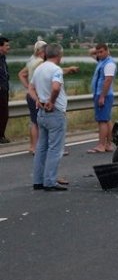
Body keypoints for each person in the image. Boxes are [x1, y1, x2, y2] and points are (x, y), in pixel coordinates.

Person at [18, 40, 78, 154]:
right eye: (45, 50)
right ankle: (53, 148)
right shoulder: (41, 63)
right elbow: (54, 78)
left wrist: (29, 87)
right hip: (41, 96)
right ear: (41, 51)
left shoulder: (31, 61)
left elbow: (21, 74)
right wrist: (69, 69)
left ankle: (34, 146)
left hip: (32, 95)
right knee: (49, 123)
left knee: (35, 122)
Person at [28, 43, 68, 191]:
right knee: (55, 149)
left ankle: (38, 180)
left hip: (41, 112)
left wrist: (37, 99)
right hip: (54, 111)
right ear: (59, 54)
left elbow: (30, 88)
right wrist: (51, 101)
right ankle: (50, 181)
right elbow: (56, 87)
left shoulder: (39, 68)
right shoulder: (56, 69)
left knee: (41, 148)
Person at [87, 43, 117, 153]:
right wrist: (97, 49)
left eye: (101, 52)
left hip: (103, 95)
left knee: (102, 121)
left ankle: (101, 145)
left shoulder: (109, 64)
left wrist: (102, 96)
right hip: (101, 94)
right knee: (107, 120)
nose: (99, 54)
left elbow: (108, 81)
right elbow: (90, 52)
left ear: (107, 51)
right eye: (98, 52)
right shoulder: (101, 61)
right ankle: (108, 144)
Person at [0, 36, 11, 144]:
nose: (9, 47)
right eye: (6, 45)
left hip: (4, 89)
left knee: (4, 114)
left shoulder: (3, 58)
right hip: (1, 90)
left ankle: (1, 135)